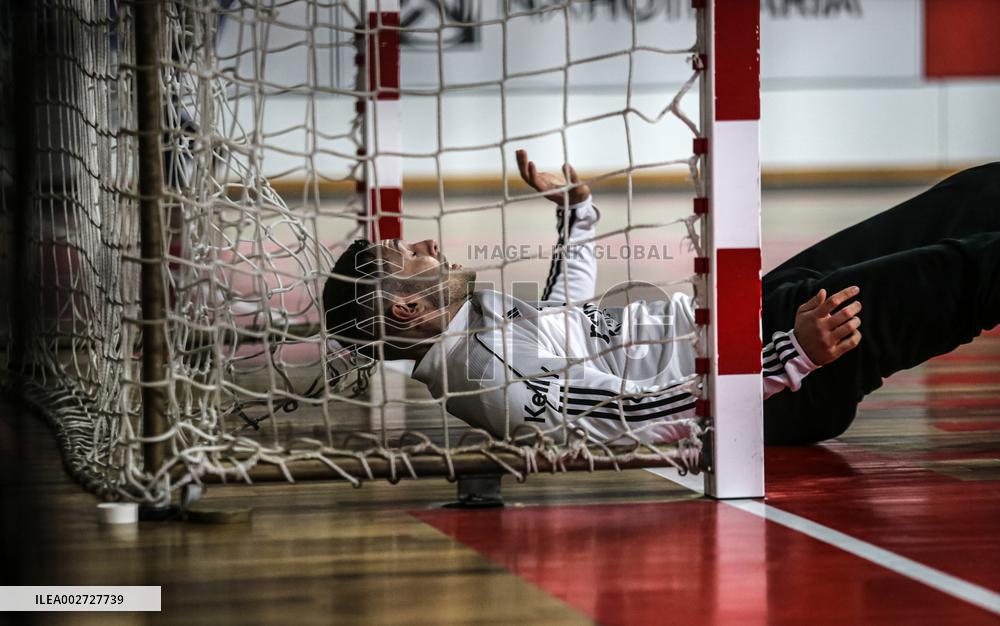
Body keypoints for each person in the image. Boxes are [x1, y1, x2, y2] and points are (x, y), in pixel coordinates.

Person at [323, 151, 999, 446]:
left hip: (749, 327)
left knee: (971, 197)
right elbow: (646, 416)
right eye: (406, 257)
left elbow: (568, 318)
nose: (428, 249)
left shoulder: (473, 338)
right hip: (778, 373)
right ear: (405, 310)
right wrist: (790, 356)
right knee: (968, 270)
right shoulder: (489, 377)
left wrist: (576, 216)